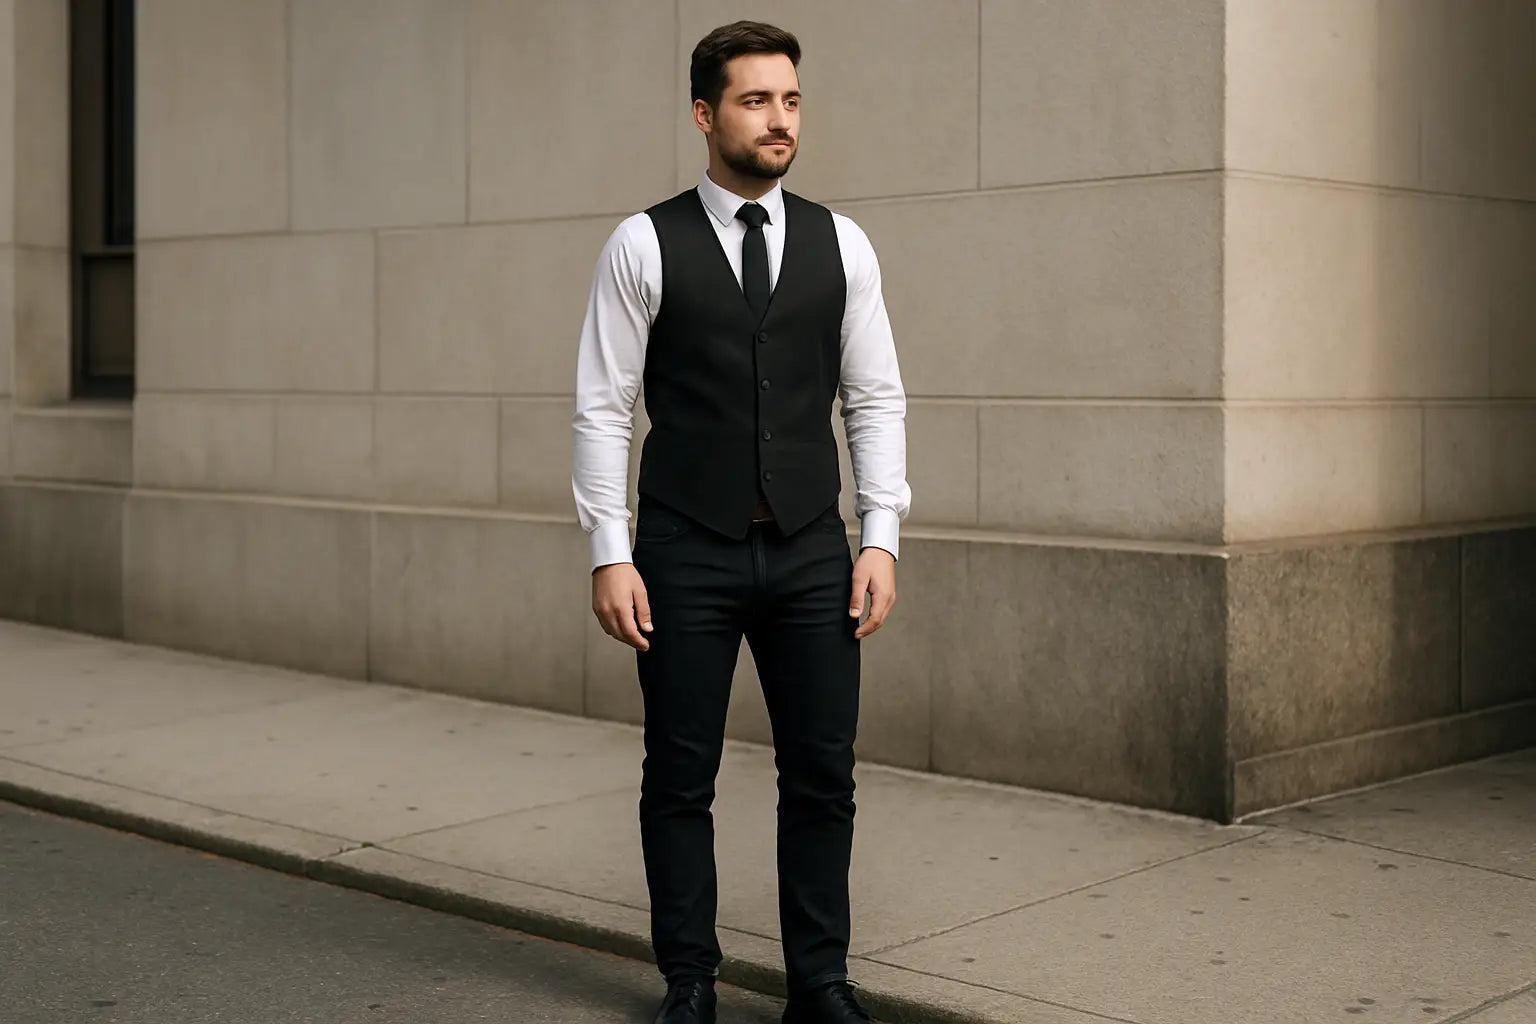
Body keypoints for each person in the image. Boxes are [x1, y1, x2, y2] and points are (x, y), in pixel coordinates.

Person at [571, 19, 910, 1024]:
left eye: (791, 100)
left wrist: (880, 533)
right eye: (756, 100)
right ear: (705, 113)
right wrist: (610, 552)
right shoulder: (642, 243)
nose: (778, 119)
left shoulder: (842, 243)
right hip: (683, 548)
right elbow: (602, 404)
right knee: (679, 774)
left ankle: (821, 984)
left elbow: (875, 397)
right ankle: (690, 979)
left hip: (812, 547)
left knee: (823, 774)